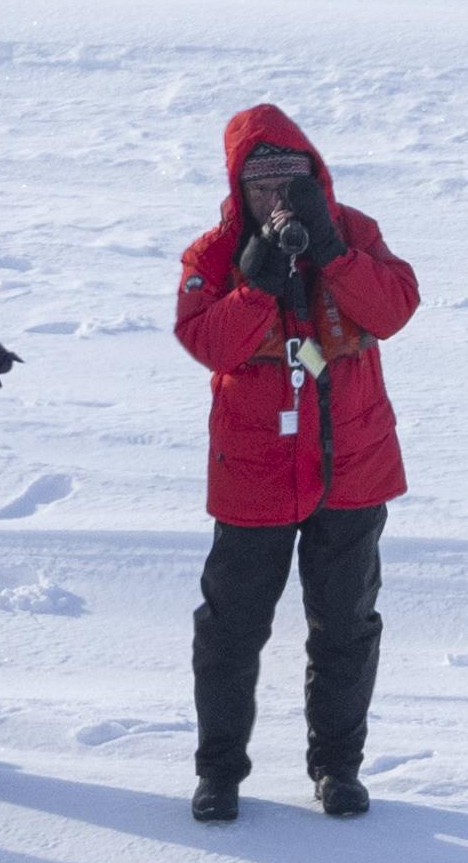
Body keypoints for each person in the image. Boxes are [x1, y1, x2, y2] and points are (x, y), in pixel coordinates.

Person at [171, 105, 421, 821]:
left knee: (345, 626)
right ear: (238, 188)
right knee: (230, 631)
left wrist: (334, 253)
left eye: (290, 184)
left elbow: (395, 310)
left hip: (352, 465)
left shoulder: (355, 232)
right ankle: (218, 773)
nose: (276, 199)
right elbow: (208, 345)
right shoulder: (212, 255)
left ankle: (337, 769)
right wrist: (256, 285)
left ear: (315, 179)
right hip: (255, 471)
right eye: (261, 187)